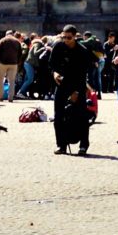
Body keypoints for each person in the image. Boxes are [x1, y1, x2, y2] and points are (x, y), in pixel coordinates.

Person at [46, 27, 96, 156]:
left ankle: (83, 145)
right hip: (61, 85)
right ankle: (61, 145)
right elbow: (52, 65)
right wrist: (55, 73)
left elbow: (82, 75)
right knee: (58, 116)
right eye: (64, 37)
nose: (66, 40)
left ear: (75, 37)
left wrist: (77, 92)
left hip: (77, 86)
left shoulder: (82, 51)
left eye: (69, 38)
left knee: (82, 116)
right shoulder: (58, 47)